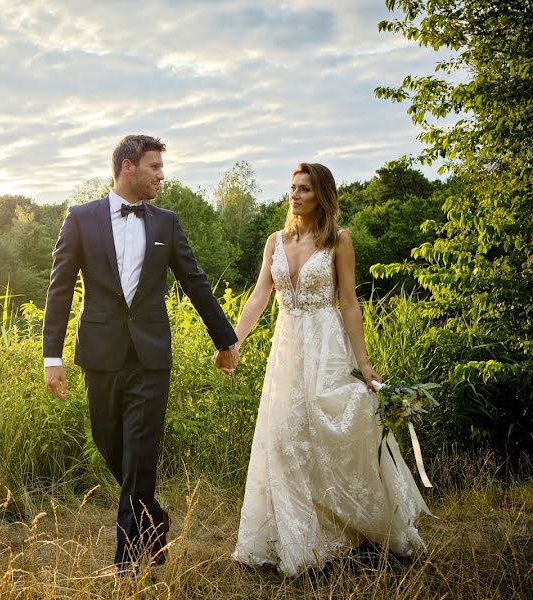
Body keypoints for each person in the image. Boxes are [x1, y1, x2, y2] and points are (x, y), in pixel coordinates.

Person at [42, 135, 239, 570]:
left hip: (151, 358)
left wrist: (225, 341)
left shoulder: (166, 223)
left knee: (140, 453)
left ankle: (126, 564)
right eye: (154, 167)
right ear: (128, 166)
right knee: (110, 443)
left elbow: (195, 281)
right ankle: (154, 517)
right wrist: (51, 358)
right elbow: (58, 289)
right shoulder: (80, 219)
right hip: (100, 354)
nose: (161, 176)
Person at [230, 162, 430, 575]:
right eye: (292, 188)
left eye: (304, 188)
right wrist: (233, 342)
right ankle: (301, 541)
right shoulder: (275, 241)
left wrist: (364, 362)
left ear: (322, 195)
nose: (295, 195)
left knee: (334, 433)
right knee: (285, 438)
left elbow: (350, 303)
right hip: (287, 352)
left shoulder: (339, 240)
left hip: (328, 349)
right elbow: (258, 297)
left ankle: (361, 529)